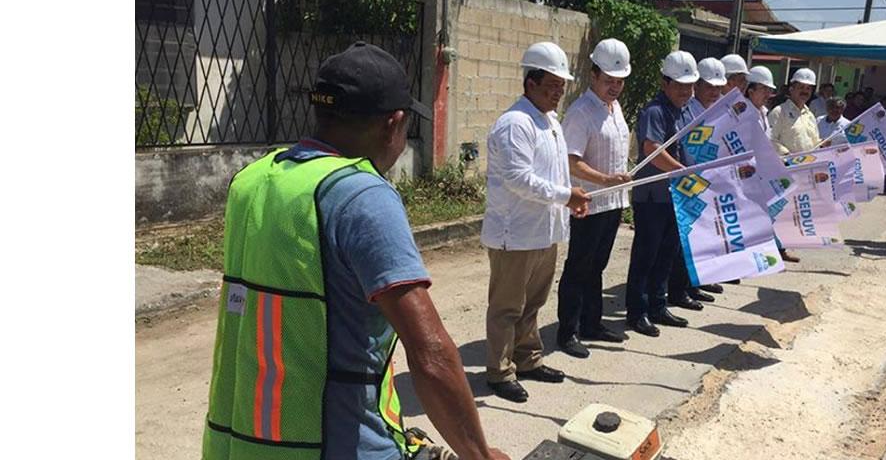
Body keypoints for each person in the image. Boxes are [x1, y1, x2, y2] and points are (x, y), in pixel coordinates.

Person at [201, 42, 508, 460]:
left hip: (239, 442)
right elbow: (431, 353)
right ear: (393, 124)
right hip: (333, 444)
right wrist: (480, 455)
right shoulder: (360, 194)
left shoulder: (253, 181)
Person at [481, 41, 591, 403]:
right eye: (552, 86)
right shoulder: (515, 124)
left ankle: (527, 360)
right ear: (530, 82)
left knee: (533, 304)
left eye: (561, 86)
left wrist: (569, 197)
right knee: (507, 307)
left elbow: (556, 172)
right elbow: (518, 178)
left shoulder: (551, 121)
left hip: (544, 231)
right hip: (516, 233)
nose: (558, 93)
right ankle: (499, 372)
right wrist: (565, 196)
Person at [556, 39, 632, 359]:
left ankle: (592, 322)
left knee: (597, 266)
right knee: (579, 266)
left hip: (612, 203)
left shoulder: (614, 109)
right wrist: (605, 180)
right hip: (588, 201)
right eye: (608, 80)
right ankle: (568, 330)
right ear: (593, 75)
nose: (614, 87)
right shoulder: (580, 112)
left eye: (619, 81)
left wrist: (617, 181)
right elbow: (570, 161)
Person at [624, 50, 699, 338]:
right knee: (646, 255)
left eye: (689, 85)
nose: (686, 91)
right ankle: (637, 312)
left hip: (674, 196)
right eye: (680, 85)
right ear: (664, 83)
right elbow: (652, 149)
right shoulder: (655, 110)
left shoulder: (683, 111)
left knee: (666, 255)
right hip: (653, 197)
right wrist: (683, 170)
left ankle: (658, 305)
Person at [668, 57, 730, 309]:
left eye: (718, 87)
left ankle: (693, 284)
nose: (714, 92)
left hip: (709, 183)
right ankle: (678, 290)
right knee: (684, 242)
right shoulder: (688, 110)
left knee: (702, 239)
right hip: (688, 183)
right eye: (709, 86)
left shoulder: (719, 110)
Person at [746, 65, 800, 264]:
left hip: (764, 172)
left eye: (769, 90)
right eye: (764, 89)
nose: (768, 94)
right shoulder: (742, 112)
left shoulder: (763, 112)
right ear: (750, 90)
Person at [768, 67, 823, 156]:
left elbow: (815, 142)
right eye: (801, 87)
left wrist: (824, 144)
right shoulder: (779, 112)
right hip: (787, 166)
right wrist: (787, 155)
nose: (805, 91)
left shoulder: (810, 116)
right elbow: (770, 139)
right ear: (791, 89)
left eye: (808, 88)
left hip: (808, 166)